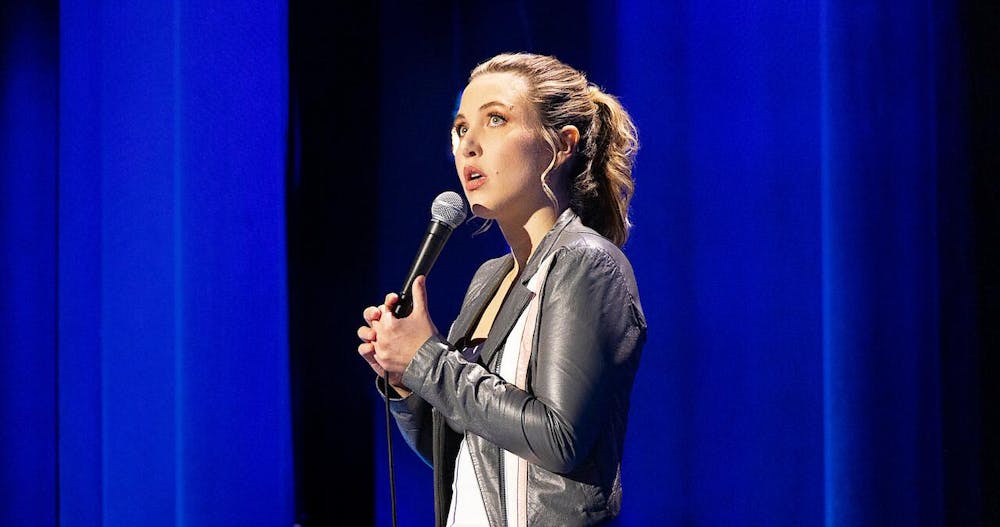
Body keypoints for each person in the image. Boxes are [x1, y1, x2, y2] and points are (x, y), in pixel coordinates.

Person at [356, 52, 646, 527]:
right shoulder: (489, 278)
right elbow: (467, 456)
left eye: (496, 120)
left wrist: (429, 359)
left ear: (561, 145)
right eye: (460, 128)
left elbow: (559, 439)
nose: (468, 145)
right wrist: (409, 379)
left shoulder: (585, 262)